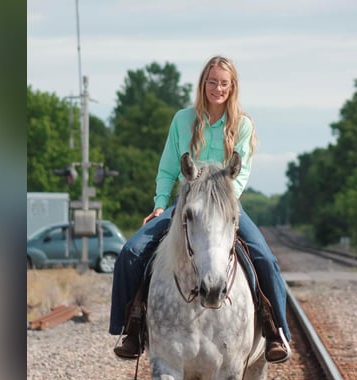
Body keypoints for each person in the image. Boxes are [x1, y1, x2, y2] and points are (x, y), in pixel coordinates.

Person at [109, 55, 291, 363]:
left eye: (223, 83)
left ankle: (277, 332)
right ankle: (131, 328)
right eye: (212, 82)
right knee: (130, 252)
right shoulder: (182, 119)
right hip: (185, 204)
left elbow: (241, 173)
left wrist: (219, 202)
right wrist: (158, 205)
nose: (217, 88)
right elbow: (168, 167)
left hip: (224, 205)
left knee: (266, 259)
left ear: (232, 87)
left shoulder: (242, 125)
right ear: (203, 84)